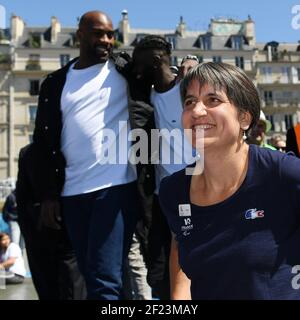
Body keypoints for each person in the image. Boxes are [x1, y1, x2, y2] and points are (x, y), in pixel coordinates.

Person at [32, 10, 153, 300]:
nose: (107, 40)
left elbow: (161, 86)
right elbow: (43, 142)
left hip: (115, 188)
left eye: (111, 34)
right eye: (99, 33)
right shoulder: (55, 83)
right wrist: (48, 194)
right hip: (72, 192)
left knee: (104, 279)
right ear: (80, 36)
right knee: (91, 275)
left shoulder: (126, 71)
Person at [159, 62, 300, 299]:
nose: (196, 111)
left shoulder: (283, 174)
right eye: (189, 101)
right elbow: (181, 249)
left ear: (244, 118)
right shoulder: (173, 191)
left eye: (212, 100)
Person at [132, 36, 197, 299]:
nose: (136, 67)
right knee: (160, 268)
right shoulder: (144, 94)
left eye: (140, 61)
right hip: (160, 196)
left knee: (192, 259)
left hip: (193, 189)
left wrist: (193, 61)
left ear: (157, 60)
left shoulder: (189, 88)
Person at [16, 143, 86, 300]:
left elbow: (22, 200)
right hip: (49, 236)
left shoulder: (28, 152)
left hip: (59, 237)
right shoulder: (28, 153)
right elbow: (22, 199)